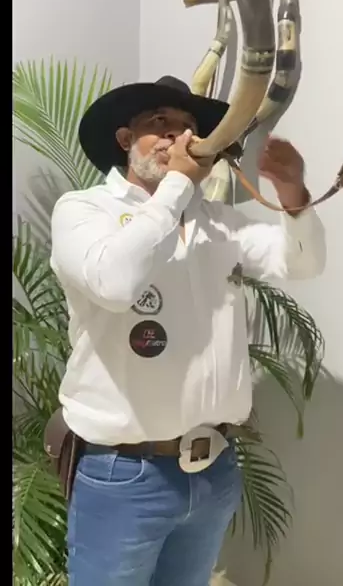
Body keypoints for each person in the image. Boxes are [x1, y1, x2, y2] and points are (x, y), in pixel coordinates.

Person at [50, 75, 327, 586]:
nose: (178, 136)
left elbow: (303, 263)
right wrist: (176, 186)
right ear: (125, 139)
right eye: (159, 123)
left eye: (188, 126)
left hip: (212, 468)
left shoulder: (219, 222)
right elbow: (114, 283)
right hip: (123, 474)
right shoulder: (84, 210)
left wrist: (293, 192)